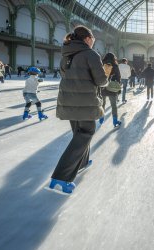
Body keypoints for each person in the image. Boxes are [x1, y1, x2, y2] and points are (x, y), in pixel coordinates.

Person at [48, 25, 108, 194]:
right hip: (85, 102)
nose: (93, 43)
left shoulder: (66, 54)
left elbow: (65, 76)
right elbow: (101, 80)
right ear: (87, 39)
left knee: (79, 133)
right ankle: (61, 177)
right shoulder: (91, 54)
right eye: (93, 40)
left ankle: (82, 162)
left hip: (68, 100)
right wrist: (106, 77)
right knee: (86, 133)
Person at [100, 52, 122, 127]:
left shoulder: (102, 64)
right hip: (112, 87)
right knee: (113, 105)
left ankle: (101, 118)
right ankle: (115, 121)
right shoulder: (115, 65)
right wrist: (118, 88)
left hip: (102, 86)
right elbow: (118, 76)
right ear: (113, 58)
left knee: (102, 103)